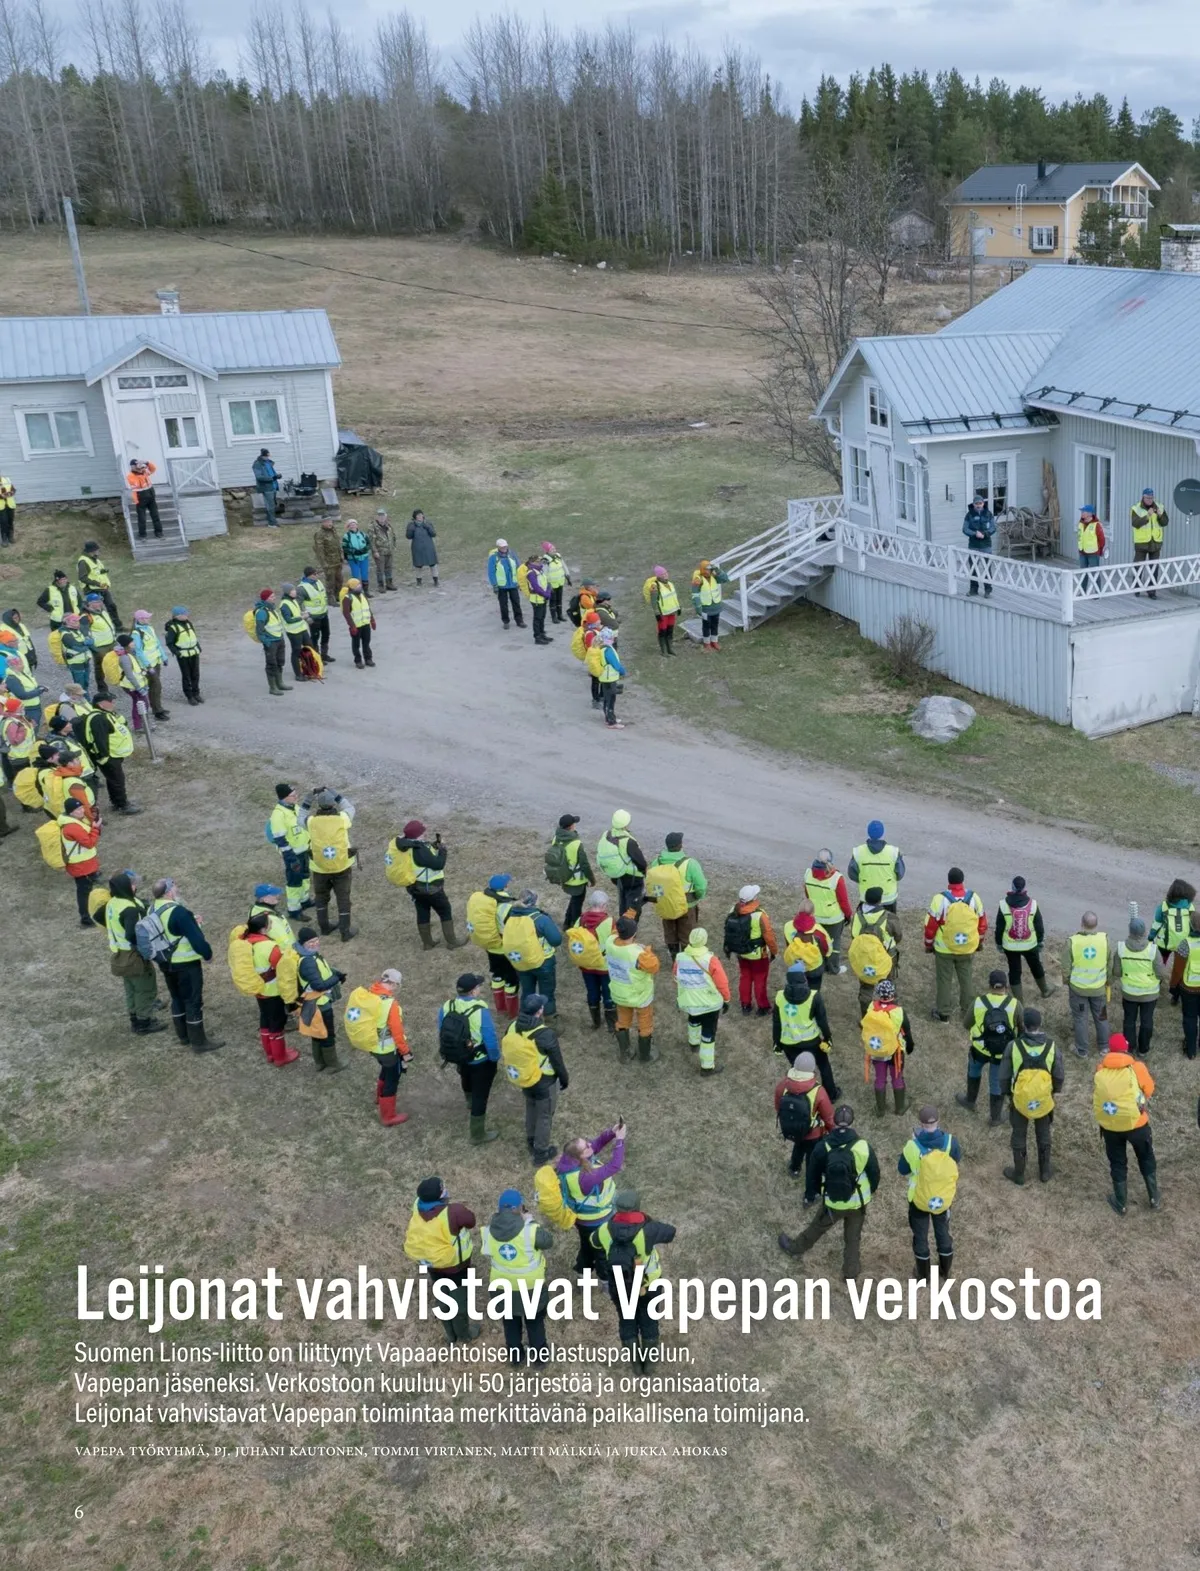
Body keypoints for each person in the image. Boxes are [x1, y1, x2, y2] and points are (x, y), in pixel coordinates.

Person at [779, 1105, 878, 1280]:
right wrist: (870, 1192)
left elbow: (812, 1175)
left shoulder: (822, 1147)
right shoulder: (863, 1146)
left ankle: (795, 1249)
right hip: (858, 1202)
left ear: (833, 1121)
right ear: (852, 1122)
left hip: (832, 1202)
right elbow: (874, 1173)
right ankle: (851, 1273)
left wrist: (819, 1191)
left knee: (817, 1227)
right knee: (853, 1238)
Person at [593, 1189, 675, 1370]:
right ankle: (649, 1365)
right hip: (648, 1285)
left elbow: (594, 1241)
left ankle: (636, 1365)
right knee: (649, 1319)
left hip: (619, 1285)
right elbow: (671, 1232)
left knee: (626, 1319)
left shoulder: (605, 1230)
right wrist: (648, 1220)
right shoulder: (648, 1230)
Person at [150, 876, 223, 1052]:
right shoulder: (179, 912)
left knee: (177, 998)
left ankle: (183, 1036)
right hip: (186, 965)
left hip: (166, 963)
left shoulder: (152, 908)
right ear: (168, 892)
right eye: (174, 887)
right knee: (193, 1001)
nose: (177, 889)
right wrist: (207, 955)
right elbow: (196, 940)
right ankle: (198, 1042)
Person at [482, 1189, 554, 1362]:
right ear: (519, 1208)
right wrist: (530, 1221)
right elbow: (548, 1241)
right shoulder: (530, 1230)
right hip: (530, 1288)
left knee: (510, 1322)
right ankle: (539, 1358)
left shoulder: (488, 1231)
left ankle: (515, 1356)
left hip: (501, 1288)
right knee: (534, 1322)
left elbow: (488, 1252)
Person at [403, 1177, 479, 1342]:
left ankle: (450, 1335)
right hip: (455, 1266)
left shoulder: (417, 1206)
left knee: (442, 1297)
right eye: (443, 1188)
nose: (446, 1190)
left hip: (432, 1263)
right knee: (459, 1303)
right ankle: (464, 1334)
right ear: (440, 1195)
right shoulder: (454, 1211)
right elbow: (471, 1221)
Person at [1094, 1033, 1158, 1214]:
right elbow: (1149, 1089)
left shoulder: (1101, 1069)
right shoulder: (1137, 1067)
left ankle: (1120, 1202)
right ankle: (1154, 1198)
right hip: (1137, 1124)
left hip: (1111, 1126)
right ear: (1126, 1049)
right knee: (1146, 1157)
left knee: (1118, 1163)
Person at [999, 1007, 1061, 1185]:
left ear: (1024, 1025)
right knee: (1044, 1133)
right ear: (1040, 1024)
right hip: (1043, 1098)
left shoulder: (1013, 1046)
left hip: (1020, 1099)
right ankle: (1045, 1172)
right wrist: (1054, 1092)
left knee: (1019, 1134)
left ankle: (1019, 1174)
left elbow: (1004, 1075)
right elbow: (1059, 1074)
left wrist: (1008, 1094)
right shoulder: (1052, 1046)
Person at [503, 992, 568, 1163]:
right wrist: (564, 1079)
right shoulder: (545, 1034)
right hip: (544, 1082)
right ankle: (540, 1152)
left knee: (531, 1107)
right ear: (539, 1011)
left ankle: (530, 1140)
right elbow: (557, 1061)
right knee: (545, 1116)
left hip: (525, 1077)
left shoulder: (512, 1026)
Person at [899, 1106, 961, 1281]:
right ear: (938, 1122)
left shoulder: (912, 1146)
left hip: (919, 1199)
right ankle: (945, 1271)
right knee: (943, 1232)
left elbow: (902, 1169)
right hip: (942, 1199)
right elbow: (956, 1160)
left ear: (921, 1124)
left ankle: (923, 1275)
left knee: (920, 1236)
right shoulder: (951, 1142)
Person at [556, 1125, 626, 1277]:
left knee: (587, 1247)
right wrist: (620, 1140)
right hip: (597, 1221)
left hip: (583, 1222)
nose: (590, 1144)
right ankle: (605, 1279)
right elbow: (615, 1166)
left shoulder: (568, 1162)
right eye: (586, 1146)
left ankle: (582, 1272)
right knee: (602, 1252)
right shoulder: (586, 1177)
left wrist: (612, 1133)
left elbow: (596, 1144)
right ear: (581, 1156)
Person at [387, 818, 467, 950]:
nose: (425, 834)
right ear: (417, 835)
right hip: (431, 889)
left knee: (423, 912)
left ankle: (428, 943)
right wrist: (443, 849)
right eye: (422, 832)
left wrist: (434, 846)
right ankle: (452, 941)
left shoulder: (405, 845)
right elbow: (438, 864)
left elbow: (424, 856)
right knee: (445, 911)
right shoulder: (419, 849)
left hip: (415, 888)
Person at [439, 973, 500, 1144]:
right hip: (480, 1059)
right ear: (473, 991)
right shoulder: (480, 1010)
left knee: (465, 1076)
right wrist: (494, 1057)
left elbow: (442, 1029)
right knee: (481, 1095)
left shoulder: (447, 1005)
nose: (480, 988)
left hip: (459, 1055)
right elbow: (490, 1038)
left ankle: (469, 1100)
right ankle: (477, 1134)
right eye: (478, 986)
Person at [104, 870, 167, 1036]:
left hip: (120, 954)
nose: (135, 886)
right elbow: (132, 934)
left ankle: (135, 1020)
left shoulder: (113, 903)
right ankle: (144, 1023)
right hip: (134, 956)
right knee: (144, 988)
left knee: (131, 988)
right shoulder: (129, 909)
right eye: (132, 884)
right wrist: (145, 949)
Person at [345, 969, 411, 1124]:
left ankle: (378, 1097)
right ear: (393, 984)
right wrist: (405, 1051)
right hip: (387, 1050)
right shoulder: (390, 1004)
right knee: (392, 1079)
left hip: (372, 1045)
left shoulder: (368, 994)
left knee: (385, 1070)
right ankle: (388, 1116)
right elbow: (397, 1033)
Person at [956, 969, 1020, 1124]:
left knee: (974, 1071)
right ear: (1006, 986)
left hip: (979, 1048)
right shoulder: (1015, 1004)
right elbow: (1022, 1028)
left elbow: (966, 1024)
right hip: (1002, 1053)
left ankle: (970, 1100)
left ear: (989, 985)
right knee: (996, 1083)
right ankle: (995, 1117)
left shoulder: (978, 1002)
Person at [238, 909, 300, 1067]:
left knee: (265, 1019)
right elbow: (282, 967)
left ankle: (270, 1053)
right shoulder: (270, 947)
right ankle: (280, 1056)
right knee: (277, 1023)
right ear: (263, 930)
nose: (271, 925)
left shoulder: (244, 942)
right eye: (269, 924)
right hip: (272, 991)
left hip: (257, 989)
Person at [925, 867, 986, 1024]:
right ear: (962, 880)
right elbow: (982, 923)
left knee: (944, 980)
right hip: (967, 948)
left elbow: (930, 926)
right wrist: (979, 943)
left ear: (948, 881)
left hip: (944, 948)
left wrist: (928, 944)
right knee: (966, 979)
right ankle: (968, 1012)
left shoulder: (939, 899)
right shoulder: (974, 898)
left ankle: (944, 1013)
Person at [773, 962, 839, 1101]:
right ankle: (831, 1094)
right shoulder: (814, 996)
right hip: (812, 1042)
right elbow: (822, 1021)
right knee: (824, 1066)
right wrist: (828, 1037)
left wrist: (776, 1043)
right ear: (804, 979)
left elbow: (777, 1023)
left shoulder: (779, 997)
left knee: (798, 1070)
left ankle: (804, 1097)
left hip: (789, 1043)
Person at [673, 926, 731, 1074]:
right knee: (708, 1033)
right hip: (709, 1004)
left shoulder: (680, 958)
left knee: (693, 1019)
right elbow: (722, 983)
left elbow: (676, 977)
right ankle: (707, 1066)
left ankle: (693, 1043)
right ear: (704, 941)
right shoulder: (710, 960)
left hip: (689, 1000)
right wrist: (726, 999)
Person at [605, 913, 660, 1064]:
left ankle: (625, 1053)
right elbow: (654, 966)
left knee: (622, 1022)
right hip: (640, 996)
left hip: (619, 994)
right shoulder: (639, 954)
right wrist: (647, 951)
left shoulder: (609, 942)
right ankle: (645, 1055)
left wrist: (626, 917)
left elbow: (614, 932)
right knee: (645, 1024)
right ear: (634, 934)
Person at [774, 1051, 835, 1183]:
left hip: (793, 1128)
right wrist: (832, 1131)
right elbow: (828, 1116)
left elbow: (778, 1107)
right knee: (812, 1155)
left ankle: (794, 1168)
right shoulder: (818, 1091)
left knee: (798, 1147)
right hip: (813, 1133)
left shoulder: (783, 1085)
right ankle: (811, 1178)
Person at [306, 787, 358, 941]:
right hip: (342, 865)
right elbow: (350, 807)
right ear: (333, 804)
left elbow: (300, 815)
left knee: (321, 897)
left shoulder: (311, 821)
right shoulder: (342, 818)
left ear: (319, 805)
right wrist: (335, 793)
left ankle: (324, 927)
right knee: (343, 898)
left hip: (319, 867)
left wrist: (309, 797)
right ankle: (345, 932)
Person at [76, 692, 139, 815]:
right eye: (110, 701)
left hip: (113, 754)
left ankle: (116, 801)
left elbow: (123, 723)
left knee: (113, 779)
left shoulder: (106, 714)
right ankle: (122, 805)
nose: (113, 703)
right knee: (117, 780)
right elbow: (100, 740)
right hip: (109, 756)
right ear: (101, 704)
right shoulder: (98, 718)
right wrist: (104, 757)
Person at [467, 872, 520, 1017]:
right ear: (505, 887)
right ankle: (512, 1011)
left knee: (497, 975)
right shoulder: (506, 906)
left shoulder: (484, 903)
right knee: (511, 979)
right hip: (504, 948)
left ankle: (500, 1007)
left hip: (490, 946)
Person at [647, 832, 706, 957]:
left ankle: (674, 956)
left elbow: (654, 885)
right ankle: (685, 957)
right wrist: (697, 897)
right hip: (687, 905)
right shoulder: (690, 864)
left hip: (666, 904)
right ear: (680, 845)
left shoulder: (656, 862)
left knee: (670, 932)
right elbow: (701, 887)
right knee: (687, 934)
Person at [1113, 915, 1166, 1057]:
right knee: (1146, 1021)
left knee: (1129, 1020)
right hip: (1149, 994)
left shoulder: (1121, 948)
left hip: (1129, 992)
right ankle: (1143, 1049)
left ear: (1130, 931)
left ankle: (1129, 1048)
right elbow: (1161, 973)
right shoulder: (1153, 950)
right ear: (1144, 932)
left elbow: (1116, 972)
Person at [506, 888, 563, 1016]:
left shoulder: (511, 916)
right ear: (535, 902)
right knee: (547, 994)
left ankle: (525, 1020)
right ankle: (550, 1019)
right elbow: (556, 940)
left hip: (521, 961)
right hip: (543, 962)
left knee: (527, 992)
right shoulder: (541, 919)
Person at [862, 978, 914, 1117]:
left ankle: (880, 1110)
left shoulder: (871, 1007)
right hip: (895, 1053)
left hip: (877, 1051)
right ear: (893, 994)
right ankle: (900, 1108)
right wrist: (910, 1046)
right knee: (897, 1078)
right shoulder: (898, 1011)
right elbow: (907, 1032)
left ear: (878, 994)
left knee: (880, 1078)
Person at [994, 875, 1052, 998]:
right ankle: (1045, 990)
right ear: (1024, 888)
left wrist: (999, 943)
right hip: (1030, 944)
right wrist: (1040, 941)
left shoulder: (1003, 904)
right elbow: (1039, 925)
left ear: (1012, 887)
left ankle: (1019, 1002)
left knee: (1014, 971)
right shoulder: (1033, 904)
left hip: (1010, 945)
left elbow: (999, 926)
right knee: (1036, 966)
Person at [296, 927, 345, 1072]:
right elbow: (319, 986)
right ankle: (333, 1064)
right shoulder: (308, 961)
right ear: (303, 944)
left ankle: (319, 1062)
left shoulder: (308, 956)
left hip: (310, 1004)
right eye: (310, 942)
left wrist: (333, 973)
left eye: (316, 940)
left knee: (316, 1032)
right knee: (327, 1033)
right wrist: (337, 978)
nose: (315, 944)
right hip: (320, 1004)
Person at [725, 883, 777, 1016]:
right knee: (760, 980)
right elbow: (769, 936)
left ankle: (745, 1005)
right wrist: (774, 951)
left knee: (745, 978)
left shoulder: (733, 910)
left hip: (741, 952)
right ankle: (763, 1007)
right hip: (758, 955)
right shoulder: (760, 915)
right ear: (754, 898)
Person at [848, 888, 903, 1015]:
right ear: (880, 900)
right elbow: (898, 936)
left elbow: (853, 936)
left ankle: (866, 1016)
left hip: (864, 958)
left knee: (866, 987)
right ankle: (890, 1015)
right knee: (888, 985)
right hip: (887, 957)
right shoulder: (889, 917)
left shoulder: (856, 917)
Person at [1063, 911, 1110, 1057]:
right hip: (1099, 989)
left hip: (1078, 989)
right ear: (1097, 924)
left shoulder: (1072, 942)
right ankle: (1104, 1047)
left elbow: (1065, 968)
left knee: (1080, 1018)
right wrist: (1108, 981)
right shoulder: (1104, 939)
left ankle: (1082, 1050)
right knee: (1101, 1017)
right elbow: (1109, 962)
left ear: (1082, 924)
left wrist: (1068, 982)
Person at [570, 888, 615, 1032]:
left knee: (592, 992)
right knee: (608, 993)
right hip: (604, 966)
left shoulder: (580, 920)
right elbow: (615, 942)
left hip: (586, 965)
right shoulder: (609, 922)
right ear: (603, 905)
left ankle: (595, 1022)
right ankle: (611, 1024)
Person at [269, 784, 313, 918]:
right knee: (294, 882)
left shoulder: (294, 807)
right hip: (293, 855)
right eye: (293, 795)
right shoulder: (278, 815)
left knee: (305, 877)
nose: (296, 797)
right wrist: (291, 858)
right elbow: (280, 839)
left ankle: (304, 900)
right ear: (284, 798)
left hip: (304, 851)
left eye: (296, 794)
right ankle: (294, 910)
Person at [803, 851, 852, 972]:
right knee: (833, 942)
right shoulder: (837, 878)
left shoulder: (808, 874)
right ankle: (832, 968)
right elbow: (843, 901)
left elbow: (808, 894)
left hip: (815, 916)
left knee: (817, 940)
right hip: (833, 918)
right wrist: (848, 915)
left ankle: (817, 963)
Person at [545, 812, 595, 930]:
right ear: (571, 826)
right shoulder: (576, 843)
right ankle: (575, 927)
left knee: (574, 900)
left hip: (564, 876)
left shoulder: (556, 838)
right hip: (577, 880)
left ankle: (567, 923)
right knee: (577, 903)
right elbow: (584, 864)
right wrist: (592, 879)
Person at [59, 797, 101, 926]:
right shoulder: (72, 827)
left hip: (83, 864)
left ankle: (87, 915)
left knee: (85, 889)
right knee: (84, 892)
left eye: (82, 807)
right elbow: (89, 843)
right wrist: (95, 828)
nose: (82, 811)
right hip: (82, 866)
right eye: (78, 809)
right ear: (71, 812)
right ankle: (86, 918)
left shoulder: (72, 822)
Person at [596, 809, 647, 914]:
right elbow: (641, 862)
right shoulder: (628, 841)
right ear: (626, 824)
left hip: (617, 875)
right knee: (633, 904)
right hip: (632, 878)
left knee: (622, 898)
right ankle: (630, 922)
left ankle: (622, 918)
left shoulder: (607, 834)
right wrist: (644, 872)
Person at [848, 821, 904, 912]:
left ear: (868, 832)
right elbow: (900, 874)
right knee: (889, 920)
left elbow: (852, 874)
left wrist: (864, 879)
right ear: (882, 833)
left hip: (867, 896)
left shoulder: (858, 852)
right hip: (888, 897)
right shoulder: (893, 852)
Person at [1170, 910, 1200, 1060]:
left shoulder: (1185, 944)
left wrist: (1173, 985)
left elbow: (1177, 970)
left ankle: (1191, 1050)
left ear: (1191, 925)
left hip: (1189, 989)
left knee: (1190, 1018)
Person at [781, 902, 832, 989]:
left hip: (796, 963)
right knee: (814, 989)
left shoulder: (787, 926)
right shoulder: (818, 930)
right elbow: (826, 949)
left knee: (797, 988)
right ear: (813, 913)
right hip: (814, 965)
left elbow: (788, 944)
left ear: (798, 911)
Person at [1131, 487, 1168, 598]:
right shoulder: (1136, 508)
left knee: (1154, 567)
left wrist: (1160, 515)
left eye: (1151, 497)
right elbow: (1135, 523)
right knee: (1138, 566)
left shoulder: (1159, 506)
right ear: (1143, 497)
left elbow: (1165, 522)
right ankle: (1136, 588)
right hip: (1141, 543)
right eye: (1147, 498)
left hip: (1155, 542)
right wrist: (1147, 516)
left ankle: (1152, 591)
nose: (1150, 500)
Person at [253, 589, 290, 696]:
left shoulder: (272, 609)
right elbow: (259, 631)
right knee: (271, 664)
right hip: (271, 642)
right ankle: (273, 688)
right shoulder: (262, 612)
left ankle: (280, 683)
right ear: (266, 599)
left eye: (274, 596)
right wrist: (267, 642)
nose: (274, 598)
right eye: (272, 597)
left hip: (279, 640)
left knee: (280, 662)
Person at [163, 606, 203, 705]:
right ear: (178, 616)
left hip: (194, 653)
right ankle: (189, 696)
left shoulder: (189, 623)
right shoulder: (173, 627)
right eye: (184, 614)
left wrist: (198, 647)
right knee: (186, 676)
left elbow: (193, 636)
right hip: (183, 655)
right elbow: (169, 643)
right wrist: (177, 653)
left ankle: (196, 693)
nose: (187, 615)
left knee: (195, 674)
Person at [1151, 879, 1195, 965]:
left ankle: (1163, 967)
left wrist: (1150, 938)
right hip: (1184, 942)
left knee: (1162, 962)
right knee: (1179, 963)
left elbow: (1156, 925)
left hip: (1165, 943)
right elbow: (1192, 926)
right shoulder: (1190, 907)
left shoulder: (1162, 907)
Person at [78, 542, 121, 629]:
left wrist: (103, 571)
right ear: (92, 551)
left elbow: (96, 572)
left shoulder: (95, 559)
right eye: (97, 549)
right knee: (96, 610)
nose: (99, 551)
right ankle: (100, 628)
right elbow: (82, 578)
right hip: (92, 590)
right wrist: (98, 584)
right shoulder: (83, 561)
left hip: (103, 588)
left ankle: (118, 627)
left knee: (111, 606)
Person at [277, 584, 314, 682]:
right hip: (293, 632)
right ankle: (298, 674)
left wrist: (303, 614)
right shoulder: (284, 605)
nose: (295, 591)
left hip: (302, 629)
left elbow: (296, 614)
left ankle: (309, 670)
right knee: (296, 652)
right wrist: (302, 617)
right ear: (288, 592)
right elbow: (288, 620)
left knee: (309, 648)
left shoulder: (293, 600)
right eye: (293, 590)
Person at [297, 568, 334, 661]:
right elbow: (298, 605)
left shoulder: (318, 582)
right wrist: (307, 618)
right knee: (315, 638)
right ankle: (316, 658)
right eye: (315, 574)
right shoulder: (302, 588)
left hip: (324, 614)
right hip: (313, 618)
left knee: (326, 635)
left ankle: (324, 655)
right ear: (309, 576)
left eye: (317, 573)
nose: (317, 575)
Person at [591, 628, 625, 729]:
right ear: (609, 638)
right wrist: (622, 671)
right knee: (611, 699)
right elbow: (615, 664)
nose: (614, 638)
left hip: (605, 678)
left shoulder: (602, 648)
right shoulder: (608, 650)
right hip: (609, 678)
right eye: (612, 637)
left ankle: (609, 718)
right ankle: (611, 722)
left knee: (607, 699)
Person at [691, 560, 729, 650]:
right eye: (707, 569)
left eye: (710, 569)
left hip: (716, 606)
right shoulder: (698, 580)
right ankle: (707, 643)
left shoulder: (714, 576)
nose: (708, 571)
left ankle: (714, 641)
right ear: (702, 570)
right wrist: (698, 608)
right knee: (706, 626)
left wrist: (717, 570)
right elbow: (695, 595)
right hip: (706, 608)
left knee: (715, 624)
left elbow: (725, 579)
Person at [963, 495, 995, 597]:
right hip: (974, 544)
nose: (978, 505)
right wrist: (974, 533)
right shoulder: (969, 515)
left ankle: (988, 590)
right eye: (976, 504)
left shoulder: (988, 514)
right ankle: (973, 589)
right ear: (973, 504)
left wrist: (985, 534)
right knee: (973, 568)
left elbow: (993, 528)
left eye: (980, 503)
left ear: (983, 503)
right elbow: (965, 529)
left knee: (987, 568)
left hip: (986, 545)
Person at [488, 539, 524, 629]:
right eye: (502, 547)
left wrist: (520, 582)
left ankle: (519, 621)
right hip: (501, 586)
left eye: (505, 546)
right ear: (498, 547)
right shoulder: (493, 558)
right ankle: (506, 621)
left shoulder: (512, 554)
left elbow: (519, 568)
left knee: (516, 603)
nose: (504, 548)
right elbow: (491, 572)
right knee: (503, 605)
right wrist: (494, 585)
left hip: (513, 584)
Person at [643, 566, 680, 655]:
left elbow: (674, 597)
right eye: (663, 574)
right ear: (658, 576)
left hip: (672, 612)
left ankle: (670, 648)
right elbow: (654, 602)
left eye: (666, 573)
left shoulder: (670, 584)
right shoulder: (654, 586)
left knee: (670, 630)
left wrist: (678, 607)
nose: (665, 575)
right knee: (663, 631)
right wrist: (657, 613)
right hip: (663, 614)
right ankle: (664, 651)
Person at [1, 653, 43, 731]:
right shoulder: (12, 679)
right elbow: (22, 695)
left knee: (32, 727)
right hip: (26, 709)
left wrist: (39, 688)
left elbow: (30, 687)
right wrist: (39, 691)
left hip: (32, 706)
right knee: (30, 729)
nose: (23, 665)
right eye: (21, 663)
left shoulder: (21, 673)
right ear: (15, 665)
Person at [82, 593, 117, 686]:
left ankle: (115, 680)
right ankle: (102, 688)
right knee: (100, 667)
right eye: (96, 602)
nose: (100, 603)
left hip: (112, 643)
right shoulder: (86, 616)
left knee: (115, 662)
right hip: (99, 647)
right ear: (89, 603)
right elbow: (84, 634)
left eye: (100, 601)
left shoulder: (103, 612)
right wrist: (94, 648)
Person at [340, 578, 374, 668]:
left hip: (366, 624)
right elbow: (346, 613)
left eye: (359, 584)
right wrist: (352, 626)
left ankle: (368, 658)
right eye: (357, 585)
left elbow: (368, 608)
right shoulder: (347, 598)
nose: (360, 586)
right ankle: (358, 660)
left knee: (366, 643)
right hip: (356, 626)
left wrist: (372, 620)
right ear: (352, 587)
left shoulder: (363, 595)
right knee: (356, 644)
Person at [58, 615, 93, 696]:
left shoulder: (78, 630)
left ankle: (85, 697)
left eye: (78, 620)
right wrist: (86, 643)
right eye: (74, 621)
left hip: (85, 660)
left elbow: (86, 641)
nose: (77, 622)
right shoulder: (65, 634)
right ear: (67, 622)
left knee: (86, 682)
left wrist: (87, 642)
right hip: (75, 663)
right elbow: (76, 647)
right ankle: (81, 699)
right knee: (79, 685)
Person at [125, 458, 161, 539]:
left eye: (139, 464)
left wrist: (147, 463)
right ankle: (142, 535)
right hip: (140, 499)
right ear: (132, 467)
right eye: (136, 465)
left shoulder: (144, 471)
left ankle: (159, 532)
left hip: (151, 497)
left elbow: (153, 469)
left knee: (155, 516)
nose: (139, 466)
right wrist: (140, 472)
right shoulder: (130, 476)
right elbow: (137, 483)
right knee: (142, 518)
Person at [523, 554, 553, 646]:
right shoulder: (531, 573)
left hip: (543, 598)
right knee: (537, 618)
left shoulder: (540, 570)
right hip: (536, 599)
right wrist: (546, 594)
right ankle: (537, 637)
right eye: (538, 561)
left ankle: (542, 634)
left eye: (540, 561)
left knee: (542, 617)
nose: (540, 562)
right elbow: (536, 587)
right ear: (532, 562)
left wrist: (548, 591)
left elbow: (546, 582)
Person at [404, 510, 436, 588]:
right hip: (417, 548)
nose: (420, 517)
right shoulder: (411, 525)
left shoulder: (428, 523)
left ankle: (436, 580)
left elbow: (433, 534)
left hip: (428, 547)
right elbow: (408, 536)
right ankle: (419, 582)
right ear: (415, 517)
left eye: (421, 515)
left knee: (433, 564)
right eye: (418, 515)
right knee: (418, 565)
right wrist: (411, 529)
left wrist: (427, 527)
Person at [312, 519, 344, 598]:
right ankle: (330, 598)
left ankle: (338, 596)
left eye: (330, 522)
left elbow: (338, 545)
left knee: (339, 580)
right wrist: (324, 563)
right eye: (327, 522)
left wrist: (341, 556)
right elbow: (319, 550)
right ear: (323, 523)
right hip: (329, 563)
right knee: (330, 581)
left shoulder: (333, 531)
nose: (330, 523)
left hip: (337, 561)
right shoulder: (319, 534)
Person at [1077, 504, 1105, 591]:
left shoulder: (1097, 525)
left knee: (1094, 573)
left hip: (1093, 553)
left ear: (1090, 513)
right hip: (1082, 552)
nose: (1082, 513)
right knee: (1083, 573)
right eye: (1081, 511)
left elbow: (1102, 539)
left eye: (1084, 511)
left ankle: (1097, 592)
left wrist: (1100, 551)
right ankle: (1083, 592)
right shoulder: (1080, 523)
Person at [371, 508, 399, 591]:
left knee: (389, 568)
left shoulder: (389, 526)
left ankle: (389, 584)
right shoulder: (373, 527)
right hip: (380, 552)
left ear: (386, 516)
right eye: (379, 516)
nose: (381, 517)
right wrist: (375, 551)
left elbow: (393, 536)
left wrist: (394, 546)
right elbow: (371, 541)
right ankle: (380, 585)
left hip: (389, 551)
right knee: (380, 569)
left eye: (383, 515)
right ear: (377, 517)